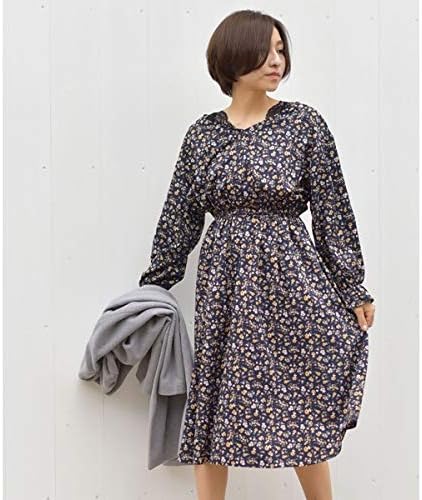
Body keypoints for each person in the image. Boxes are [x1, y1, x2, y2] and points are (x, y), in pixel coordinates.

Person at [138, 9, 376, 500]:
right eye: (264, 50)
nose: (276, 61)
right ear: (233, 56)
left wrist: (352, 287)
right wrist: (153, 286)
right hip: (225, 282)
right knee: (214, 399)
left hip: (291, 276)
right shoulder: (203, 136)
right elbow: (180, 215)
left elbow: (332, 209)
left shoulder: (303, 124)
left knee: (301, 394)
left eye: (281, 50)